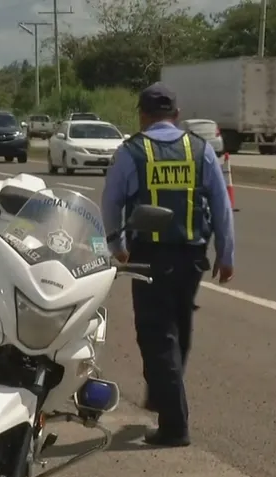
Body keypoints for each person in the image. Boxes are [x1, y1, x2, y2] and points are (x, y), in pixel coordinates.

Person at [101, 82, 235, 447]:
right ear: (176, 116)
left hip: (149, 258)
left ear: (143, 117)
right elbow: (222, 205)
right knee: (179, 330)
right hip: (192, 257)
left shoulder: (132, 152)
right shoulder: (201, 149)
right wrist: (226, 254)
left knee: (157, 337)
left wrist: (115, 243)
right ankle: (162, 393)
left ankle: (174, 425)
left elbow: (111, 202)